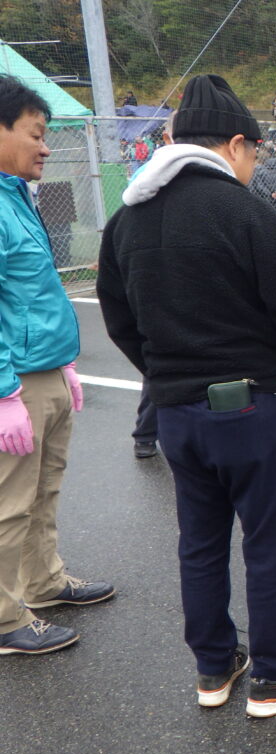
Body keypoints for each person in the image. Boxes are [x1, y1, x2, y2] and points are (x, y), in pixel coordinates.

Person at [96, 74, 276, 717]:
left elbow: (118, 316)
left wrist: (163, 373)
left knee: (200, 542)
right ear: (236, 144)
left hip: (175, 411)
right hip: (248, 407)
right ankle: (275, 677)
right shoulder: (242, 211)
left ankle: (214, 668)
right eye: (253, 151)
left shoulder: (127, 219)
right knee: (269, 543)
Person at [0, 75, 115, 657]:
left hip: (42, 370)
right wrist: (4, 393)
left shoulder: (15, 195)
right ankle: (3, 620)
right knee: (8, 504)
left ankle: (42, 583)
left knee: (43, 489)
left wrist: (63, 364)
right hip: (14, 381)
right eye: (35, 134)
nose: (45, 147)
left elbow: (31, 292)